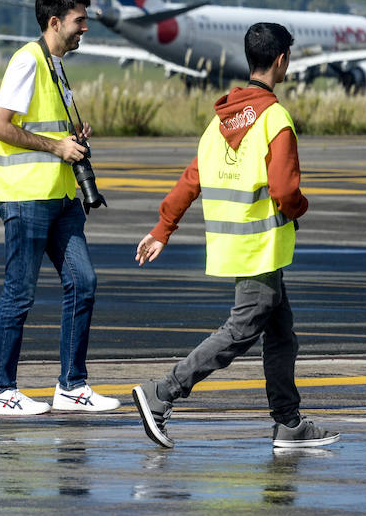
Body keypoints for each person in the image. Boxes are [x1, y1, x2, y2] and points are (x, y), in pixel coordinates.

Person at [130, 22, 339, 450]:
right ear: (281, 61)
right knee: (241, 331)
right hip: (260, 248)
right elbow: (284, 191)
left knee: (281, 334)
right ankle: (162, 393)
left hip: (239, 246)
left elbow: (192, 178)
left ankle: (288, 423)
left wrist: (162, 228)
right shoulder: (275, 118)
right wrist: (300, 208)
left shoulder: (220, 120)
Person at [0, 0, 119, 416]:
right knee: (19, 293)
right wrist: (56, 147)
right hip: (26, 196)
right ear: (55, 22)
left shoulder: (54, 64)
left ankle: (71, 386)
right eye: (80, 21)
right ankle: (0, 390)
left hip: (60, 197)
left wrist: (70, 140)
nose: (85, 29)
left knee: (84, 282)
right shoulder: (27, 60)